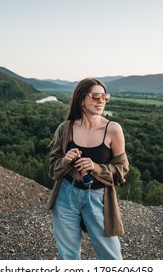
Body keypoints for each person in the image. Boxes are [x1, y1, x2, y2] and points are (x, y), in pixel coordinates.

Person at [47, 77, 129, 260]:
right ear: (81, 99)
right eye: (95, 96)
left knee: (112, 257)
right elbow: (52, 168)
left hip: (98, 197)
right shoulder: (66, 128)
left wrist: (96, 168)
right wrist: (65, 161)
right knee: (68, 257)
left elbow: (122, 169)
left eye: (105, 97)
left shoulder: (113, 129)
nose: (101, 101)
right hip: (65, 195)